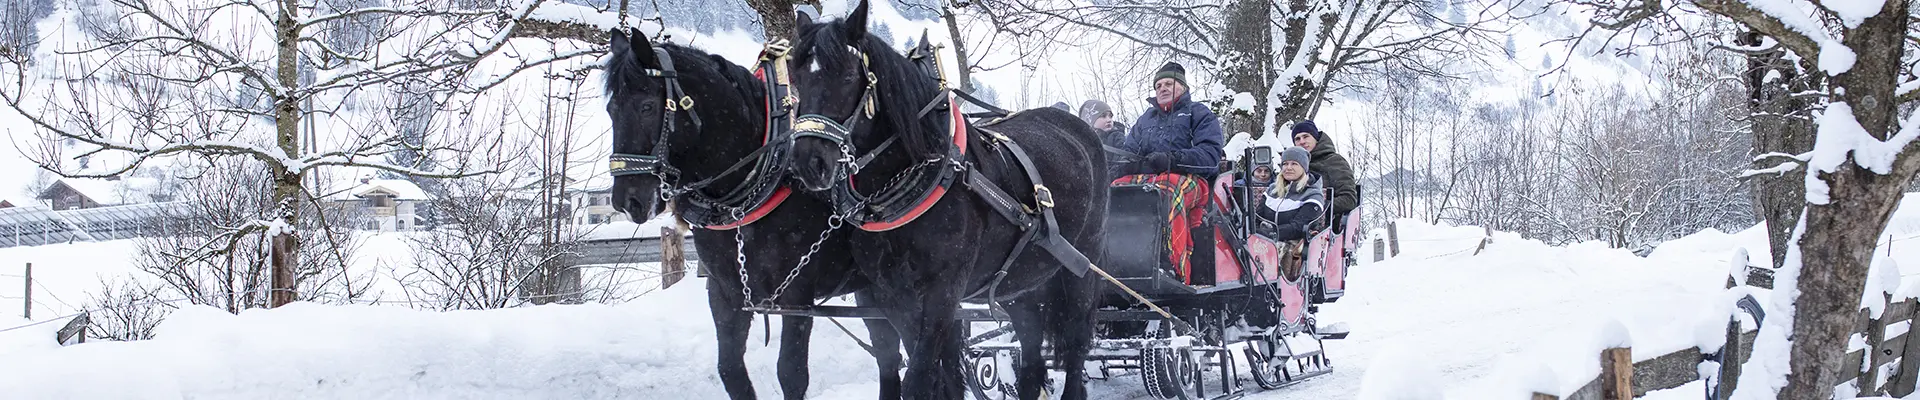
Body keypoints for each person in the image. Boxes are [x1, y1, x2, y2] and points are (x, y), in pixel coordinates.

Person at [1113, 61, 1225, 177]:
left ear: (1183, 87)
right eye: (1158, 86)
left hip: (1190, 178)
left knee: (1162, 193)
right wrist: (1125, 164)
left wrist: (1173, 160)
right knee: (1114, 191)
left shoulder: (1199, 113)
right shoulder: (1145, 119)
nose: (1163, 89)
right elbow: (1130, 149)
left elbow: (1210, 154)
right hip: (1146, 179)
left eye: (1169, 84)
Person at [1289, 120, 1356, 218]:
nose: (1302, 142)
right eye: (1297, 139)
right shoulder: (1291, 165)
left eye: (1306, 136)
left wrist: (1316, 206)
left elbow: (1349, 199)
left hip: (1325, 223)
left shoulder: (1334, 161)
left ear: (1315, 138)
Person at [1257, 146, 1325, 241]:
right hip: (1264, 241)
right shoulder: (1272, 190)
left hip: (1294, 246)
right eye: (1285, 164)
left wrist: (1268, 234)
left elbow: (1297, 228)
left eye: (1294, 164)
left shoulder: (1312, 195)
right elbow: (1257, 216)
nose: (1288, 168)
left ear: (1303, 167)